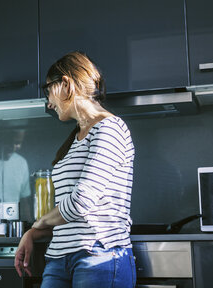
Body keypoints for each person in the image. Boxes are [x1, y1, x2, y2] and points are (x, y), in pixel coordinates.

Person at [14, 51, 136, 288]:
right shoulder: (76, 139)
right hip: (59, 258)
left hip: (98, 255)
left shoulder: (110, 128)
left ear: (66, 84)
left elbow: (81, 202)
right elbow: (70, 217)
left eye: (47, 89)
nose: (48, 102)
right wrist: (32, 234)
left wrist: (37, 225)